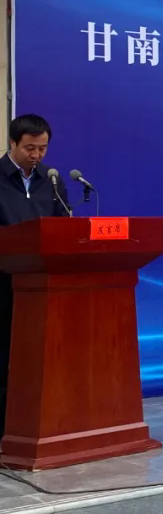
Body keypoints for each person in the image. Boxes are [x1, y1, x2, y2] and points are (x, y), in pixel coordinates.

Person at [0, 114, 71, 435]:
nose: (36, 155)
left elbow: (63, 225)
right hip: (5, 280)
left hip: (43, 285)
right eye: (30, 148)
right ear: (13, 143)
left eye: (42, 148)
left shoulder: (51, 180)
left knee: (40, 356)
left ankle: (37, 425)